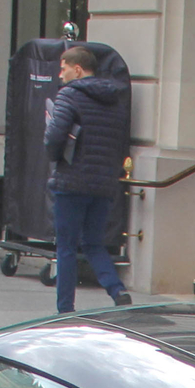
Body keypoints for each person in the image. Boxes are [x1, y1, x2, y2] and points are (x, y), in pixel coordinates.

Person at [44, 44, 132, 313]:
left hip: (71, 181)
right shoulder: (115, 99)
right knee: (94, 243)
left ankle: (65, 309)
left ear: (78, 69)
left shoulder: (69, 95)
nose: (60, 75)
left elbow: (55, 137)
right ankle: (118, 291)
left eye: (64, 68)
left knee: (67, 247)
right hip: (103, 183)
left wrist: (54, 153)